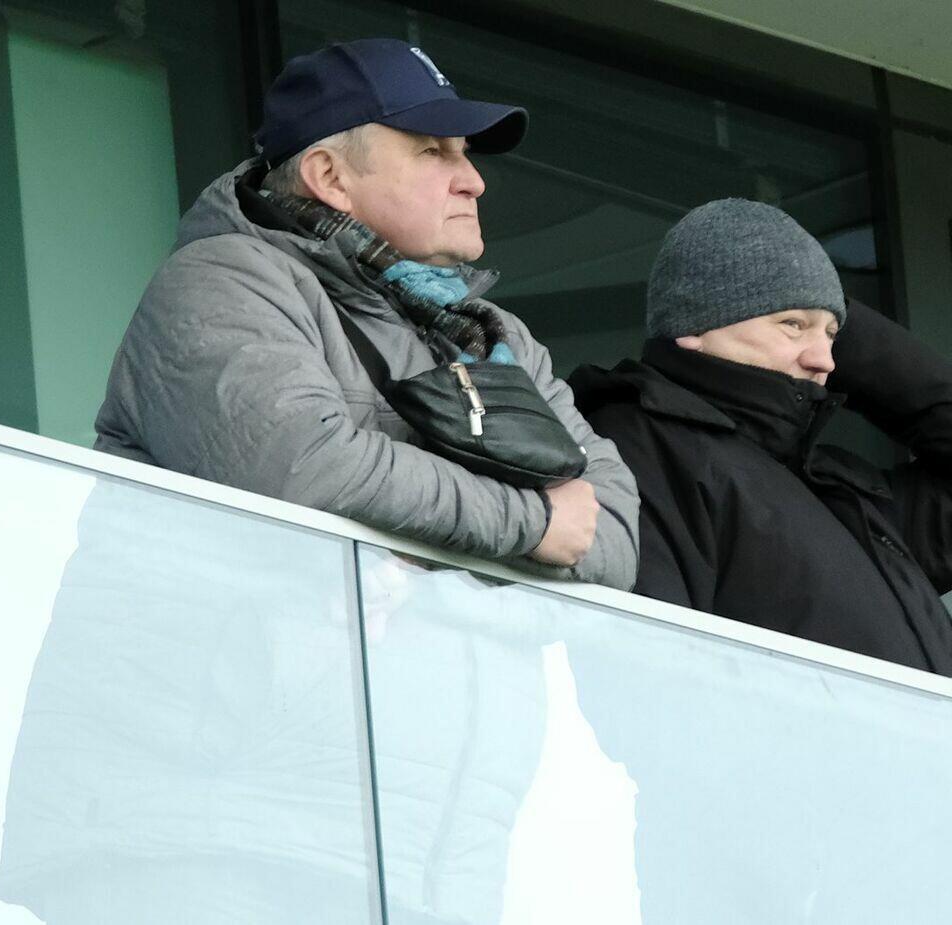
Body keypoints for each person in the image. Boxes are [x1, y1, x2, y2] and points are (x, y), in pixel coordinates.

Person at [94, 38, 638, 589]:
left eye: (464, 152)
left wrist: (426, 529)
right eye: (432, 152)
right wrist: (531, 522)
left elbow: (611, 535)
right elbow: (302, 469)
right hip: (220, 645)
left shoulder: (491, 332)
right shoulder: (223, 280)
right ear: (330, 178)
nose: (474, 181)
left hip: (404, 647)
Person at [569, 198, 952, 679]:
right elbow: (653, 670)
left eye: (832, 335)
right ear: (694, 324)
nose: (826, 360)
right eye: (792, 324)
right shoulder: (640, 443)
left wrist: (820, 304)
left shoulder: (833, 487)